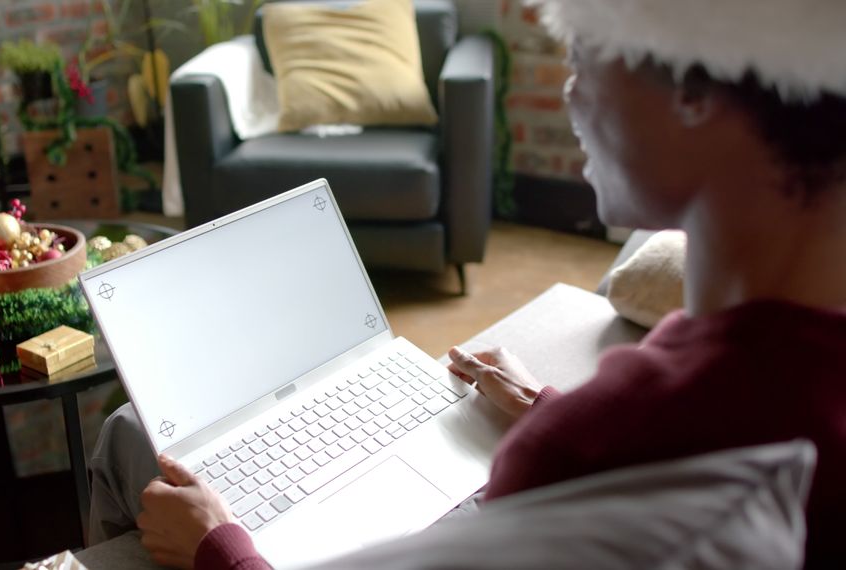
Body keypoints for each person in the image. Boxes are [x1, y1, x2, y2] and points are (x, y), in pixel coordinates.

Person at [89, 0, 846, 567]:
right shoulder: (748, 385)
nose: (570, 92)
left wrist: (220, 547)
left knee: (130, 434)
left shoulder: (610, 438)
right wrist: (550, 415)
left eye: (583, 51)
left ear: (695, 92)